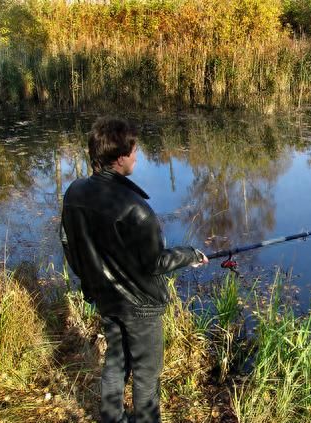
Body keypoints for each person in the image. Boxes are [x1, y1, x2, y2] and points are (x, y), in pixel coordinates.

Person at [60, 116, 208, 423]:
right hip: (141, 307)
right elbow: (155, 263)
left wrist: (91, 281)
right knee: (146, 375)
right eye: (134, 152)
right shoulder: (136, 208)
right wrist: (189, 253)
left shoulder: (74, 193)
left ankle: (111, 418)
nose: (137, 157)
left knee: (115, 362)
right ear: (120, 158)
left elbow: (68, 244)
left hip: (105, 299)